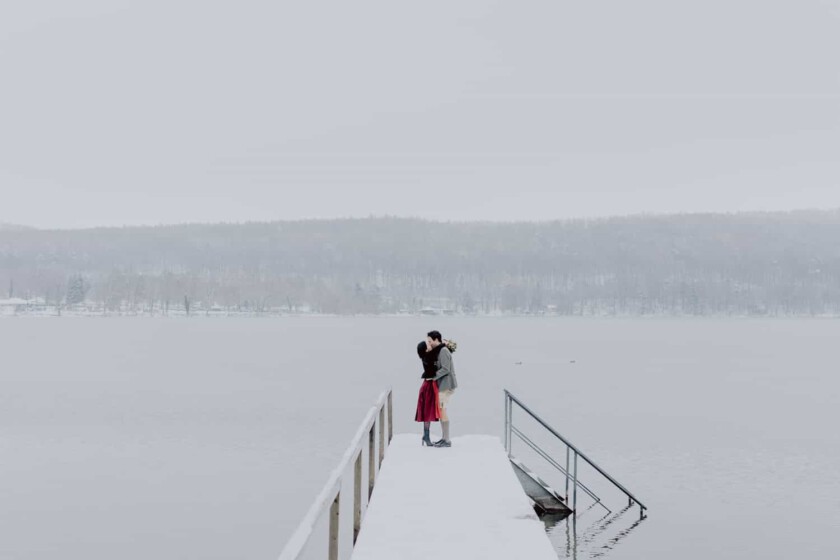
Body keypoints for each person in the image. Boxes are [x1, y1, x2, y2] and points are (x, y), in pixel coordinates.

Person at [427, 330, 458, 447]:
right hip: (444, 384)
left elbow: (446, 369)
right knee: (441, 410)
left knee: (442, 410)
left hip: (446, 385)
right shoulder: (440, 350)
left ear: (436, 340)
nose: (429, 343)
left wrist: (433, 377)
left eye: (430, 341)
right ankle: (444, 438)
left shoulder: (443, 351)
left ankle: (447, 440)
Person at [414, 339, 443, 446]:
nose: (430, 345)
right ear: (426, 349)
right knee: (427, 413)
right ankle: (426, 436)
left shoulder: (426, 356)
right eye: (428, 345)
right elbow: (437, 350)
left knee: (428, 412)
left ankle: (426, 436)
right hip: (428, 387)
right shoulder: (428, 357)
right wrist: (443, 344)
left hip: (428, 385)